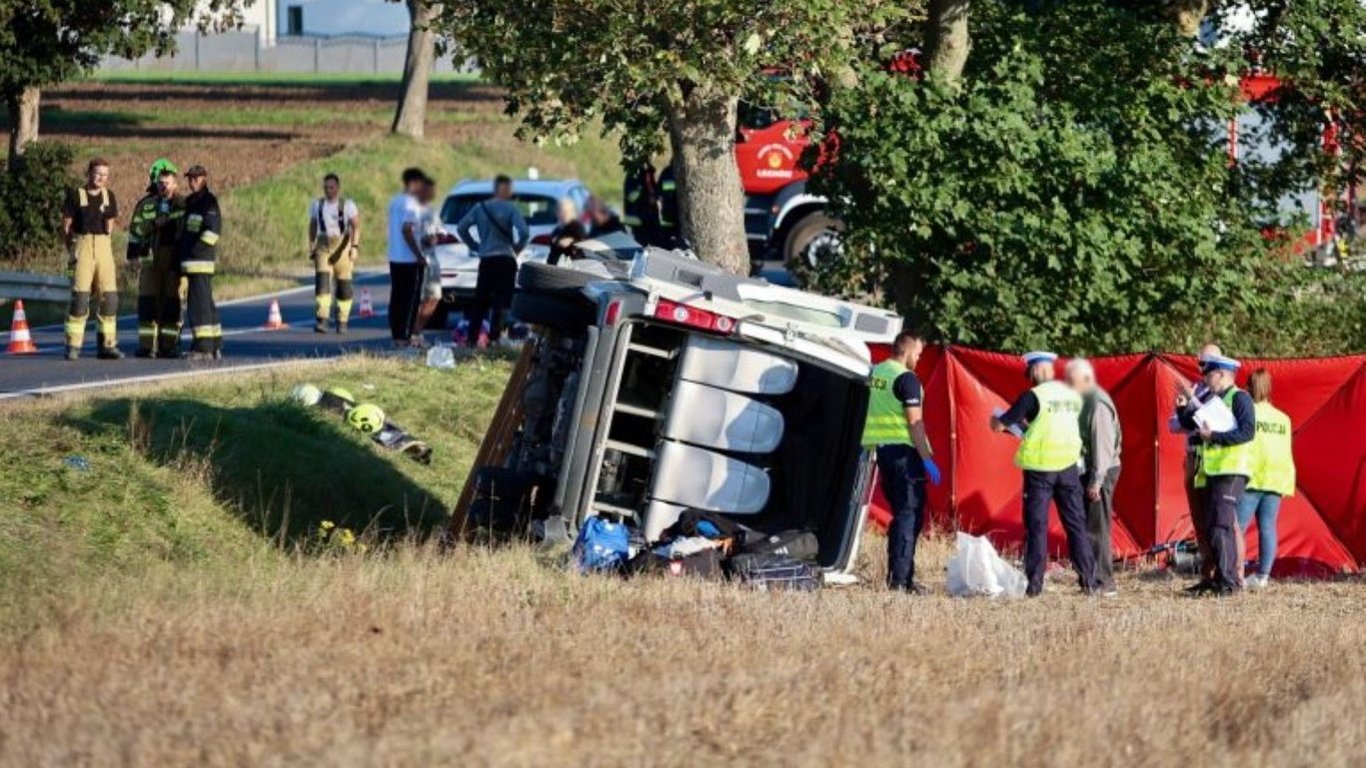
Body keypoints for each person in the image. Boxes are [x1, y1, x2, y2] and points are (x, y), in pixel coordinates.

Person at [991, 351, 1099, 597]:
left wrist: (994, 422)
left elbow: (1002, 424)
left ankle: (1035, 585)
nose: (1029, 377)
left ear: (1037, 370)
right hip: (1069, 469)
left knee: (1037, 527)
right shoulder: (1071, 395)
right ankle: (1089, 582)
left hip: (1040, 471)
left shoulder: (1032, 397)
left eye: (1030, 372)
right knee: (1076, 526)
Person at [862, 331, 942, 592]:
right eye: (918, 354)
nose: (918, 359)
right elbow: (914, 423)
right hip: (905, 456)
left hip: (883, 453)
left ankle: (899, 577)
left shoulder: (876, 373)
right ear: (906, 351)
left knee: (900, 516)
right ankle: (900, 581)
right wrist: (927, 459)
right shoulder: (906, 379)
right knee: (910, 517)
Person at [1178, 354, 1255, 596]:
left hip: (1232, 471)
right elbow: (1190, 425)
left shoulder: (1240, 398)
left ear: (1221, 374)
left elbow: (1247, 432)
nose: (1204, 379)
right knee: (1213, 526)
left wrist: (1215, 437)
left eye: (1208, 374)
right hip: (1214, 471)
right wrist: (1182, 407)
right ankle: (1219, 579)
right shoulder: (1214, 399)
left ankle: (1229, 583)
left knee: (1221, 527)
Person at [1065, 358, 1122, 596]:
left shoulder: (1097, 403)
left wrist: (1096, 482)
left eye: (1071, 380)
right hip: (1087, 469)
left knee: (1097, 528)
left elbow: (1103, 446)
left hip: (1101, 470)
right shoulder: (1082, 400)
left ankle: (1104, 582)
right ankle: (1089, 579)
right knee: (1086, 526)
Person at [1237, 369, 1295, 589]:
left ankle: (1235, 572)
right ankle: (1262, 577)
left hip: (1252, 477)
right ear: (1270, 388)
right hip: (1277, 478)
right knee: (1268, 527)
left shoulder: (1247, 413)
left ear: (1249, 387)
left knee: (1237, 528)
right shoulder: (1284, 419)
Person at [1171, 342, 1223, 588]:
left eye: (1204, 364)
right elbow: (1175, 424)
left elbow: (1210, 421)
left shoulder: (1218, 392)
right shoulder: (1197, 388)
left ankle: (1221, 572)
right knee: (1199, 519)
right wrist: (1183, 407)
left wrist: (1191, 403)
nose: (1200, 369)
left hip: (1210, 459)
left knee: (1216, 520)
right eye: (1199, 364)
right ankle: (1207, 572)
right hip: (1193, 457)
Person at [456, 174, 529, 347]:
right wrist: (518, 247)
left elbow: (461, 227)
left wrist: (475, 246)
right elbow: (524, 232)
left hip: (487, 258)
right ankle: (495, 338)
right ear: (507, 189)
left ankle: (472, 338)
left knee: (480, 299)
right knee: (502, 301)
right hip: (505, 258)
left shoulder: (480, 207)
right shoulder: (511, 208)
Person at [61, 157, 123, 360]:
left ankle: (107, 345)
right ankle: (73, 346)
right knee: (80, 298)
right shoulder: (75, 195)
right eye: (97, 173)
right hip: (82, 247)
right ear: (88, 173)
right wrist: (73, 248)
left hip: (104, 247)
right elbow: (66, 226)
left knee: (109, 298)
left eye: (105, 175)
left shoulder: (109, 196)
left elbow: (110, 227)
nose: (101, 178)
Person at [127, 159, 186, 358]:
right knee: (147, 304)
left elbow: (187, 231)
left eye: (167, 182)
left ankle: (168, 346)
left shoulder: (183, 204)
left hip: (173, 261)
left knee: (171, 304)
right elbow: (136, 230)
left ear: (175, 184)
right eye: (160, 182)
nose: (162, 186)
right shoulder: (145, 205)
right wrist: (154, 224)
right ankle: (146, 346)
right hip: (150, 260)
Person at [177, 165, 223, 360]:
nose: (192, 182)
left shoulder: (208, 202)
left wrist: (193, 250)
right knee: (205, 303)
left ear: (204, 178)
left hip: (200, 262)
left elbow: (212, 233)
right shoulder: (191, 202)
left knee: (198, 306)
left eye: (196, 178)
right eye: (190, 178)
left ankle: (203, 348)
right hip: (191, 262)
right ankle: (215, 345)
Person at [308, 173, 361, 334]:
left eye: (331, 187)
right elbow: (312, 226)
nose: (328, 190)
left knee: (344, 286)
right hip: (324, 245)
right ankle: (322, 320)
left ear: (338, 188)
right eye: (326, 187)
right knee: (322, 282)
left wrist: (354, 247)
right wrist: (311, 246)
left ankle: (342, 321)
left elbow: (356, 227)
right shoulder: (317, 205)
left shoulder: (348, 205)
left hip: (343, 246)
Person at [386, 168, 431, 347]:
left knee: (396, 297)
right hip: (409, 259)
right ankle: (405, 337)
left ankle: (397, 335)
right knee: (410, 299)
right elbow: (407, 229)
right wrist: (418, 254)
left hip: (395, 256)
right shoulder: (412, 204)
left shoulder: (394, 201)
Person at [412, 176, 447, 339]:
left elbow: (441, 230)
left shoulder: (432, 211)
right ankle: (412, 334)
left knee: (435, 296)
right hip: (416, 260)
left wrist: (439, 235)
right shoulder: (411, 211)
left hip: (432, 260)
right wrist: (425, 239)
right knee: (416, 299)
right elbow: (406, 234)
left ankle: (418, 331)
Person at [622, 161, 661, 246]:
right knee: (641, 247)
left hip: (651, 220)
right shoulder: (632, 178)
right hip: (637, 221)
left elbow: (655, 193)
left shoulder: (649, 178)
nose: (649, 177)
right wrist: (641, 188)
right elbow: (632, 197)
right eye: (647, 174)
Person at [547, 197, 587, 265]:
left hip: (572, 266)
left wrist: (572, 242)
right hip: (555, 267)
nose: (563, 214)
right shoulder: (557, 230)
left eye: (566, 211)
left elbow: (583, 245)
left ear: (571, 212)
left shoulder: (577, 227)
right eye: (560, 211)